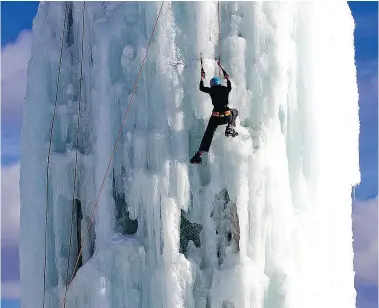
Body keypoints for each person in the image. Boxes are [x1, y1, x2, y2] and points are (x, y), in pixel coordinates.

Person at [190, 61, 239, 165]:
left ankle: (199, 155)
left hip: (216, 118)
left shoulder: (211, 90)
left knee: (208, 134)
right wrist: (227, 77)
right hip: (227, 116)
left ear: (212, 85)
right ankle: (230, 128)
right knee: (235, 112)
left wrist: (202, 78)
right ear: (219, 84)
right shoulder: (225, 89)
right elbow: (229, 86)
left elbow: (201, 88)